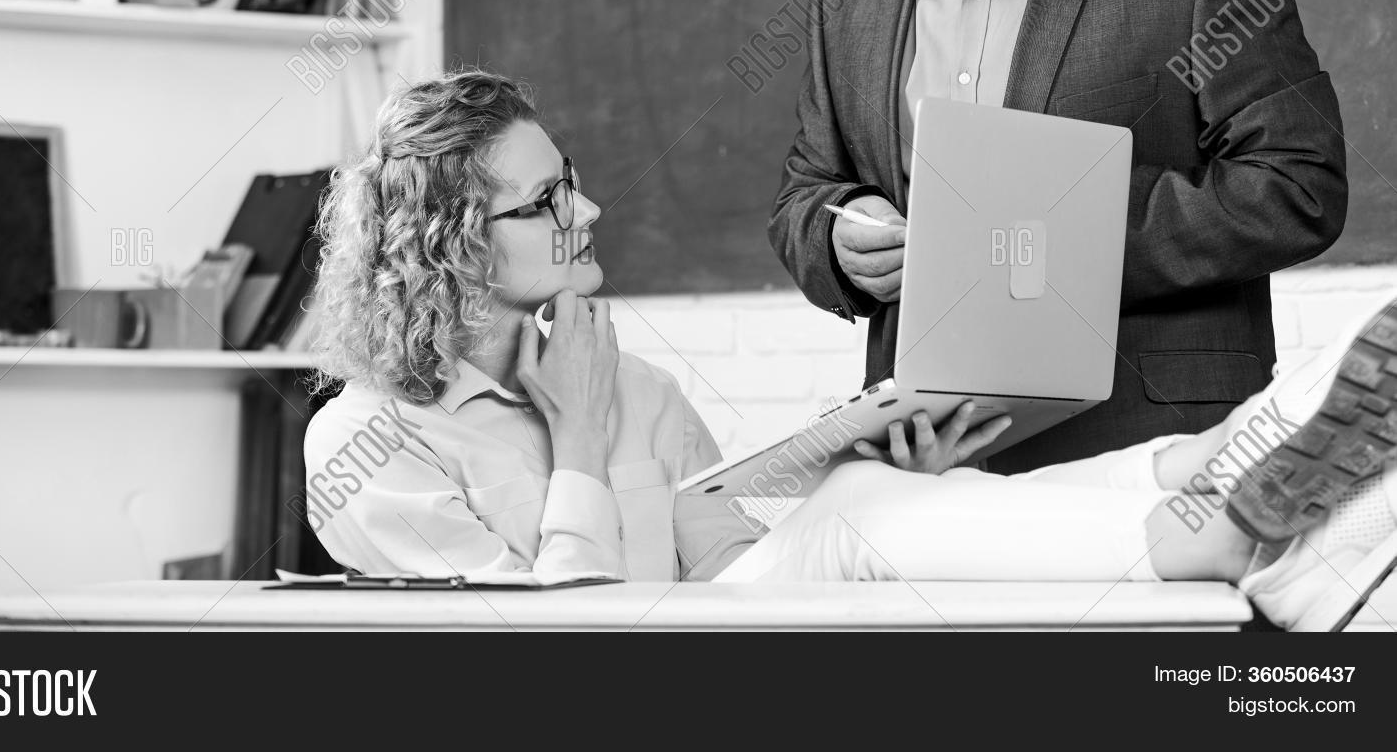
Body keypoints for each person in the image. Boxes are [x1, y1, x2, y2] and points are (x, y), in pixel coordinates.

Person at [303, 70, 1396, 632]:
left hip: (726, 634)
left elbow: (719, 559)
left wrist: (870, 471)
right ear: (449, 238)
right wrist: (580, 442)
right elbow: (539, 662)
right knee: (856, 515)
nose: (584, 210)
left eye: (571, 178)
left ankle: (1227, 464)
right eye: (544, 200)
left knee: (865, 496)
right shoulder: (363, 442)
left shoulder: (631, 378)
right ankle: (1228, 523)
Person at [768, 0, 1349, 473]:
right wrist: (839, 239)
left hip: (1147, 458)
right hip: (925, 472)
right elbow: (806, 193)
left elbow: (1297, 186)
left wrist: (1040, 234)